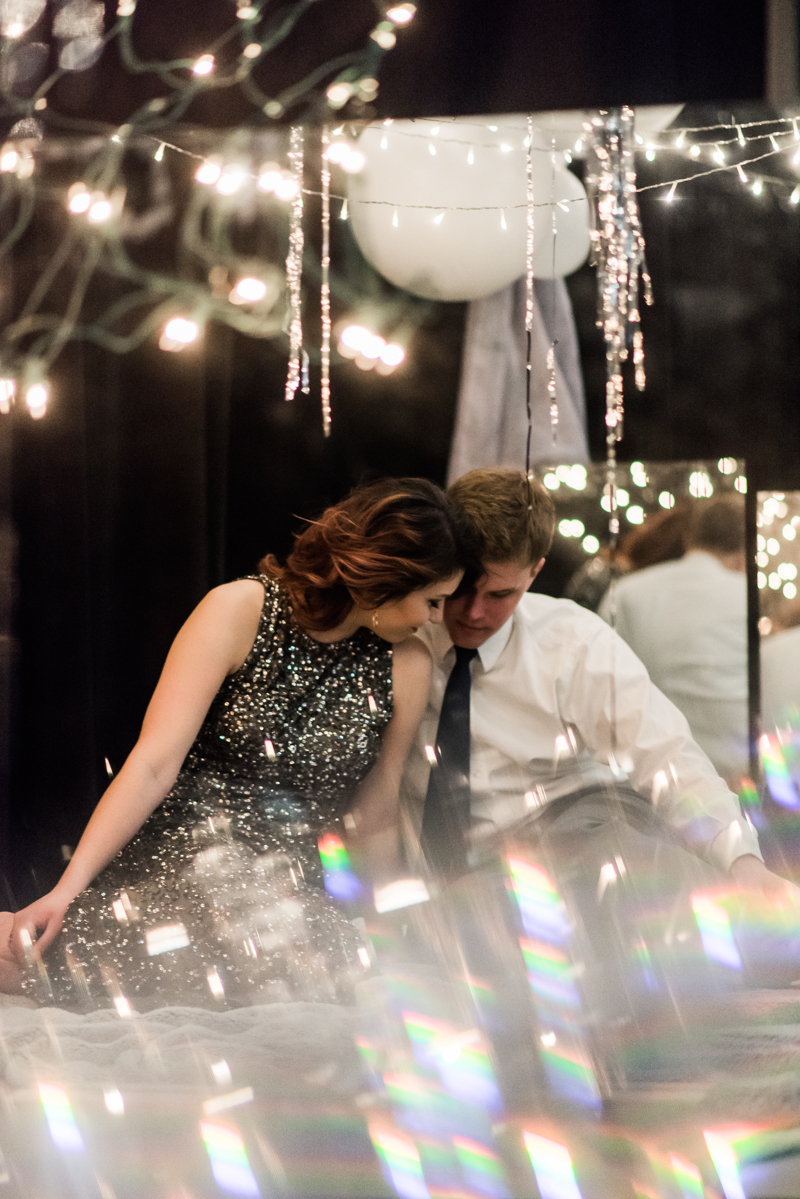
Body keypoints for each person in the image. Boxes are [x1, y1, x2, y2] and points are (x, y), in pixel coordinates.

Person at [1, 478, 466, 1008]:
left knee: (309, 965)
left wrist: (385, 933)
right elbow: (154, 763)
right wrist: (69, 888)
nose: (436, 618)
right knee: (77, 957)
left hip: (287, 890)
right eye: (433, 601)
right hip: (185, 862)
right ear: (388, 576)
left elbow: (376, 814)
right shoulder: (240, 608)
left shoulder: (407, 663)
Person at [407, 467, 784, 900]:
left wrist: (744, 864)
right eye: (461, 591)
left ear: (534, 574)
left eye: (499, 596)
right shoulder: (403, 634)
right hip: (451, 883)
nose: (474, 613)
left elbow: (666, 756)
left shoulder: (571, 641)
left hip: (576, 840)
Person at [599, 494, 748, 784]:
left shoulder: (627, 593)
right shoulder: (747, 595)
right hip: (737, 772)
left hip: (649, 772)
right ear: (744, 553)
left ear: (688, 539)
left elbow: (603, 686)